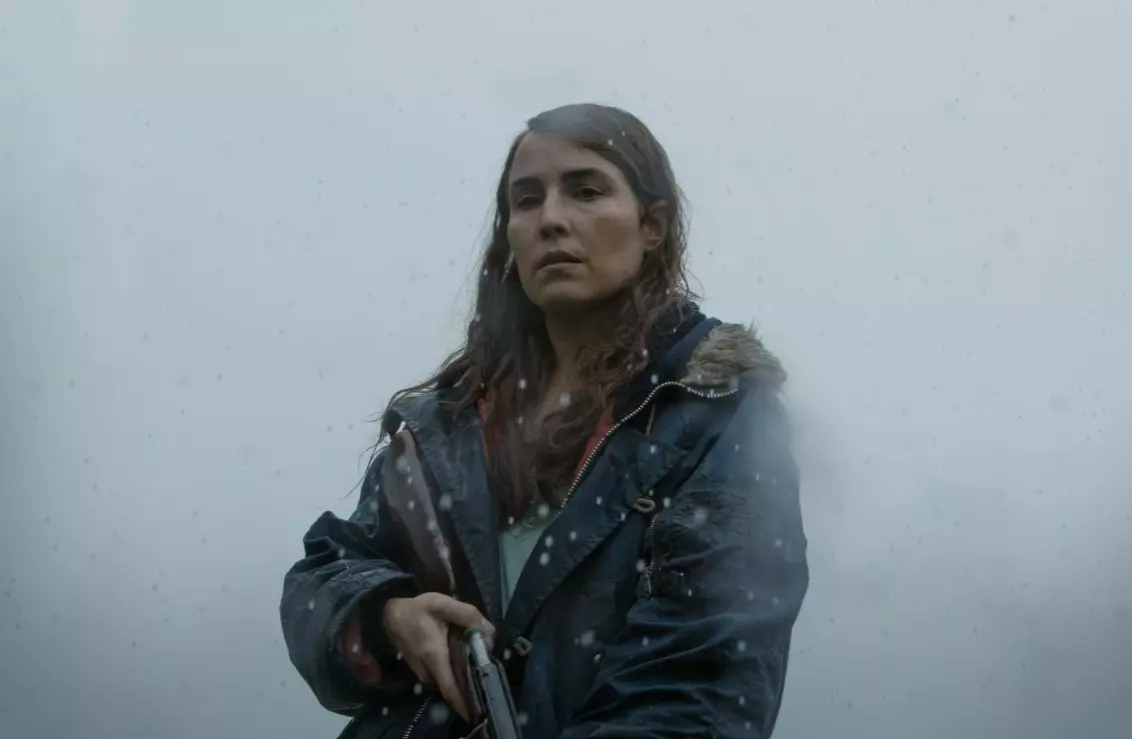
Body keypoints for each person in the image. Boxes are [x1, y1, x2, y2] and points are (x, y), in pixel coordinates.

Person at [279, 103, 809, 739]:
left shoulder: (715, 412)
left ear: (652, 225)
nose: (551, 219)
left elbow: (701, 678)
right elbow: (327, 571)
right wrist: (385, 614)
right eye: (526, 200)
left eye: (586, 191)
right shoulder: (445, 423)